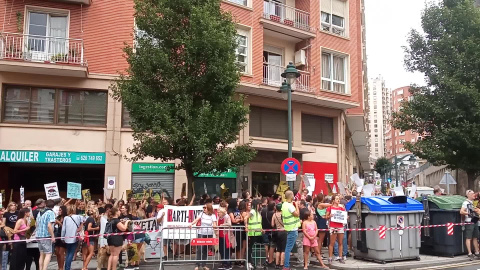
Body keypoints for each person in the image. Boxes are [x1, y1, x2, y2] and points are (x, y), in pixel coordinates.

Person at [190, 203, 217, 270]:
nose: (204, 209)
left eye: (205, 208)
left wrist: (214, 226)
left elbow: (214, 224)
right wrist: (191, 224)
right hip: (201, 233)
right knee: (200, 249)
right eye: (203, 208)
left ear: (209, 209)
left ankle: (204, 264)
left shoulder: (213, 216)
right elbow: (196, 219)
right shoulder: (201, 214)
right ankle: (197, 265)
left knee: (205, 250)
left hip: (209, 234)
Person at [281, 190, 300, 270]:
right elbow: (297, 214)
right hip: (293, 228)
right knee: (288, 249)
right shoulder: (291, 206)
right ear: (291, 196)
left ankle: (286, 265)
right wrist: (297, 206)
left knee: (288, 248)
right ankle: (286, 266)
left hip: (288, 228)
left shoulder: (284, 205)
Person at [62, 204, 84, 270]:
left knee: (68, 252)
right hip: (75, 237)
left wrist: (62, 237)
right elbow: (83, 222)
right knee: (71, 253)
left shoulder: (66, 218)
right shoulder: (78, 217)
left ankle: (66, 267)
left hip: (67, 237)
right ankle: (67, 267)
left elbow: (63, 229)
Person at [36, 199, 56, 270]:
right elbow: (49, 226)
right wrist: (53, 236)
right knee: (48, 253)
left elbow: (36, 224)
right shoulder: (51, 213)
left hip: (38, 235)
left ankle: (41, 269)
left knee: (41, 254)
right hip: (46, 236)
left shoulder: (39, 212)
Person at [326, 194, 346, 264]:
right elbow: (326, 216)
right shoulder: (330, 208)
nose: (338, 200)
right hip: (333, 226)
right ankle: (330, 257)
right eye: (337, 199)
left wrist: (346, 217)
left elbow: (344, 215)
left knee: (341, 242)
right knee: (332, 242)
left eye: (338, 199)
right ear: (333, 200)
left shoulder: (341, 208)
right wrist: (329, 216)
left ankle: (340, 257)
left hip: (340, 226)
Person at [460, 190, 480, 260]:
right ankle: (469, 253)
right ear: (468, 195)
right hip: (469, 222)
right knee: (468, 238)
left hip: (474, 221)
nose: (473, 195)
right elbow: (461, 211)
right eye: (472, 194)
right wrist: (468, 214)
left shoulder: (472, 203)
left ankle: (477, 252)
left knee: (475, 237)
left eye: (473, 194)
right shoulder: (465, 203)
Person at [245, 199, 263, 269]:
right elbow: (246, 218)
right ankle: (249, 262)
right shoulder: (253, 211)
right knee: (251, 248)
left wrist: (261, 229)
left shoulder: (257, 212)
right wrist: (246, 226)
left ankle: (253, 262)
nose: (260, 206)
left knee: (254, 249)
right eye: (259, 204)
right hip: (252, 233)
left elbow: (258, 222)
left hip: (257, 232)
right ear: (256, 205)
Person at [227, 198, 245, 266]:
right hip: (234, 230)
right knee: (235, 246)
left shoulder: (237, 210)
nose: (238, 202)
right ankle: (234, 261)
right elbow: (233, 220)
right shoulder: (230, 210)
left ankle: (238, 260)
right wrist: (238, 220)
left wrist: (238, 219)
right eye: (237, 201)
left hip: (239, 229)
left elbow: (242, 218)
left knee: (239, 246)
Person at [271, 203, 286, 269]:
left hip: (277, 231)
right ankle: (281, 263)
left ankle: (277, 263)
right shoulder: (284, 214)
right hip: (284, 231)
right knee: (283, 249)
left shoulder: (274, 215)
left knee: (278, 249)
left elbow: (272, 224)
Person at [262, 201, 275, 267]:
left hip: (264, 229)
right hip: (272, 230)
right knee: (272, 245)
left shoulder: (263, 211)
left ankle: (266, 258)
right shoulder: (273, 213)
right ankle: (271, 259)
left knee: (266, 244)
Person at [55, 206, 67, 270]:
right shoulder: (58, 217)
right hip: (58, 235)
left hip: (63, 235)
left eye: (60, 210)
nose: (59, 211)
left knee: (61, 252)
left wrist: (59, 222)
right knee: (57, 252)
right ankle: (59, 266)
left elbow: (65, 227)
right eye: (58, 210)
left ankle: (61, 267)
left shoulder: (66, 218)